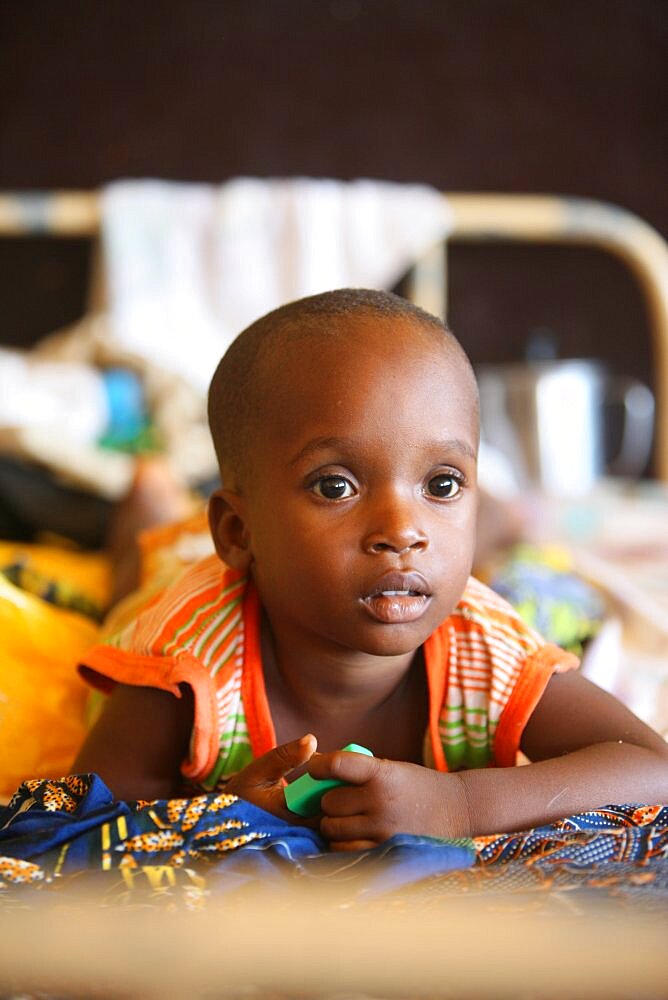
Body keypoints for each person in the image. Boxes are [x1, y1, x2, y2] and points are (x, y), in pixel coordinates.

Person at [73, 289, 668, 850]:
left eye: (442, 483)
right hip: (177, 584)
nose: (403, 530)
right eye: (336, 486)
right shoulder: (182, 664)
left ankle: (497, 522)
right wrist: (225, 816)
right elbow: (80, 822)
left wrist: (460, 804)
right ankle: (145, 507)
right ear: (237, 530)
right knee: (142, 574)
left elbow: (650, 768)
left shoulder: (483, 648)